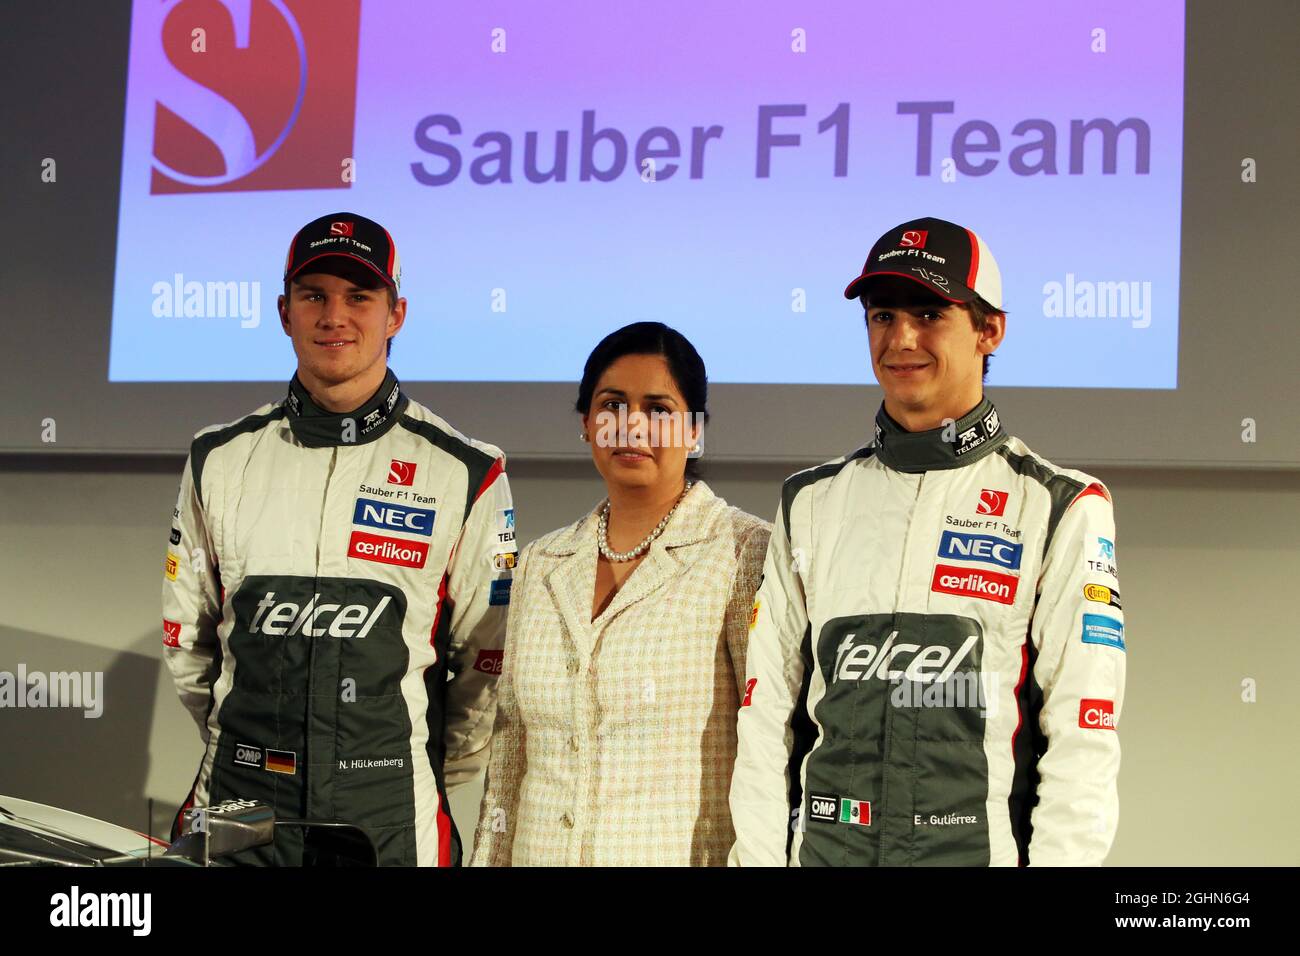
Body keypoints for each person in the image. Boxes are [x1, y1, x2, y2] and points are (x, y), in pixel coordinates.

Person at [730, 217, 1126, 866]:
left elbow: (1085, 735)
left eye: (928, 312)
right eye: (883, 315)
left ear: (989, 329)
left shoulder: (1060, 506)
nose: (901, 338)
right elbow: (765, 715)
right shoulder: (810, 500)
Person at [162, 212, 516, 866]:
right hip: (240, 794)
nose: (335, 315)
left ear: (396, 314)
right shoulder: (217, 457)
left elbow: (484, 666)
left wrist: (410, 765)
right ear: (283, 311)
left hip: (385, 810)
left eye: (359, 296)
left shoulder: (464, 471)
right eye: (314, 294)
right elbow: (189, 645)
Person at [470, 322, 771, 866]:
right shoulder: (541, 562)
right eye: (612, 405)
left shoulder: (742, 552)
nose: (631, 426)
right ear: (587, 424)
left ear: (694, 429)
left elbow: (769, 745)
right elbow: (511, 755)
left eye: (657, 408)